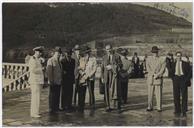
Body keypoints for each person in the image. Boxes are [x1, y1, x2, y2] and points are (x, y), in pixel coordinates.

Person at [170, 51, 192, 118]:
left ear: (181, 56)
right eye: (177, 56)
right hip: (176, 79)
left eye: (179, 56)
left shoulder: (185, 64)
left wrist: (186, 80)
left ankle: (184, 110)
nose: (178, 57)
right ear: (176, 57)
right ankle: (177, 110)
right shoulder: (173, 64)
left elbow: (190, 72)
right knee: (176, 95)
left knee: (184, 95)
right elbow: (171, 72)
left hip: (183, 79)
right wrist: (173, 78)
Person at [101, 44, 122, 112]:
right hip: (106, 76)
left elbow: (120, 65)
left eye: (109, 49)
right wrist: (102, 77)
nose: (108, 50)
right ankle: (108, 106)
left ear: (112, 48)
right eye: (107, 49)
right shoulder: (104, 57)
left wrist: (112, 67)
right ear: (106, 50)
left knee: (116, 91)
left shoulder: (117, 56)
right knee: (107, 91)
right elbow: (102, 68)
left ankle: (117, 107)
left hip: (114, 77)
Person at [146, 46, 166, 112]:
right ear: (152, 52)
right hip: (151, 78)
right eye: (154, 52)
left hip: (158, 78)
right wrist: (153, 74)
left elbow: (163, 69)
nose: (155, 53)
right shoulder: (148, 59)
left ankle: (159, 107)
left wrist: (158, 75)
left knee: (158, 93)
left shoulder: (162, 59)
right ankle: (149, 106)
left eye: (156, 52)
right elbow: (148, 68)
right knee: (150, 93)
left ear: (158, 52)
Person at [28, 46, 44, 118]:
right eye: (40, 52)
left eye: (41, 52)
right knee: (35, 97)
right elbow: (33, 70)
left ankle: (36, 111)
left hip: (38, 81)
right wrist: (41, 69)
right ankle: (33, 113)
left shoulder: (37, 59)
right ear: (36, 52)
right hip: (35, 81)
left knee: (38, 97)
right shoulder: (33, 59)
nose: (40, 54)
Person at [46, 46, 63, 113]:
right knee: (52, 95)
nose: (58, 54)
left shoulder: (59, 61)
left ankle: (56, 107)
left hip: (58, 81)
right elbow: (49, 72)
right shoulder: (51, 60)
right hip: (53, 81)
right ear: (54, 53)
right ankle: (51, 108)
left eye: (59, 53)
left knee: (57, 94)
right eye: (57, 53)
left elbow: (60, 71)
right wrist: (51, 80)